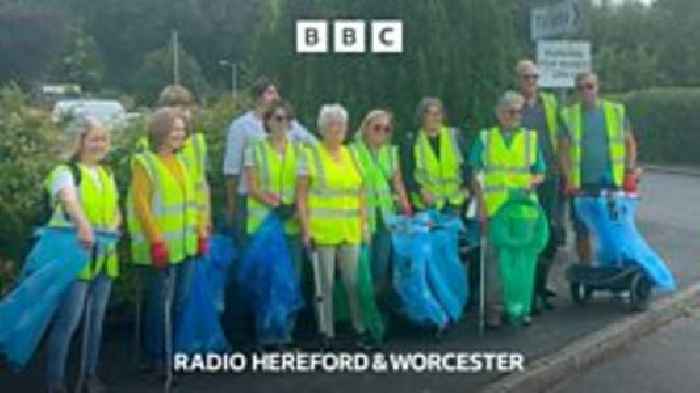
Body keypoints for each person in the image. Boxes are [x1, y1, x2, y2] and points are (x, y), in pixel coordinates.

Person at [127, 108, 208, 380]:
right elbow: (141, 205)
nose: (180, 134)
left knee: (179, 303)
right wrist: (156, 241)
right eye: (175, 129)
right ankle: (157, 356)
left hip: (184, 246)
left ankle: (170, 353)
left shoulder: (183, 162)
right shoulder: (145, 163)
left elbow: (191, 201)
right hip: (161, 247)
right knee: (160, 304)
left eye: (183, 129)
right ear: (161, 132)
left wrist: (200, 232)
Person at [44, 117, 121, 393]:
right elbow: (68, 199)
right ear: (80, 141)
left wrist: (113, 225)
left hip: (103, 256)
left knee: (95, 321)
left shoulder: (107, 174)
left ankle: (89, 375)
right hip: (74, 257)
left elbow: (115, 207)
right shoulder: (65, 172)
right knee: (69, 320)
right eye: (94, 139)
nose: (100, 144)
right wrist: (83, 225)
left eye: (104, 139)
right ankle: (55, 381)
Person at [297, 103, 373, 350]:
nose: (337, 129)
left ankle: (359, 329)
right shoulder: (310, 155)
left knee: (354, 282)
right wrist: (306, 229)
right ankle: (326, 333)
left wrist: (364, 225)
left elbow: (361, 192)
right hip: (322, 230)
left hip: (349, 229)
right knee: (325, 284)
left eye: (341, 124)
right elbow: (301, 195)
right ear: (322, 128)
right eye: (331, 124)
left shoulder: (352, 154)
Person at [469, 91, 546, 328]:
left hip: (523, 210)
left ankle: (520, 307)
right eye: (510, 111)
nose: (515, 116)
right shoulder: (486, 138)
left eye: (518, 111)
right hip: (494, 208)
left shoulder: (531, 139)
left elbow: (541, 172)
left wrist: (532, 182)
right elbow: (475, 174)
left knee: (522, 261)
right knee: (493, 261)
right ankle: (494, 309)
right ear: (498, 113)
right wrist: (481, 206)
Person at [223, 76, 316, 250]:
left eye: (276, 92)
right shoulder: (241, 126)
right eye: (269, 92)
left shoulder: (291, 124)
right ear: (258, 97)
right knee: (251, 250)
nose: (275, 96)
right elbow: (232, 169)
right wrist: (232, 204)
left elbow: (314, 146)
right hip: (249, 197)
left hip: (286, 202)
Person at [243, 100, 305, 348]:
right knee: (266, 280)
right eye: (277, 118)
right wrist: (274, 204)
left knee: (292, 278)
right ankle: (266, 333)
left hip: (290, 223)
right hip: (264, 223)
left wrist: (295, 210)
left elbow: (303, 185)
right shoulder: (254, 148)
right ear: (267, 121)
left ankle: (286, 332)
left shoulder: (300, 150)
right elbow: (252, 186)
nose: (282, 124)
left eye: (287, 119)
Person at [560, 72, 638, 265]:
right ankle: (586, 268)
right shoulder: (568, 115)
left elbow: (630, 143)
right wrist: (568, 178)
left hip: (610, 181)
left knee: (614, 227)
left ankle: (616, 266)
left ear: (597, 87)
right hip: (581, 183)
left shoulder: (615, 111)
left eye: (589, 86)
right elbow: (562, 149)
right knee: (581, 229)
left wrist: (629, 171)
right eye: (580, 87)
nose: (585, 91)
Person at [516, 59, 568, 313]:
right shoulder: (512, 105)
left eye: (535, 77)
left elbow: (561, 137)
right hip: (525, 180)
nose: (532, 82)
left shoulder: (549, 102)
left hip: (549, 176)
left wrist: (564, 171)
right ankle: (526, 292)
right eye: (527, 77)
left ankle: (541, 285)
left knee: (550, 234)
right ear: (518, 80)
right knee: (528, 235)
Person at [349, 110, 412, 295]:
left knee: (381, 263)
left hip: (385, 215)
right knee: (362, 265)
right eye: (377, 127)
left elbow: (397, 181)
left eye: (387, 129)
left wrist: (405, 206)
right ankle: (361, 309)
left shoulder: (391, 152)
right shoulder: (353, 150)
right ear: (366, 128)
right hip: (362, 215)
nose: (382, 133)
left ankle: (376, 306)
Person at [402, 97, 470, 215]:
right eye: (431, 114)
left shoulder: (455, 136)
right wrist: (420, 191)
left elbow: (468, 167)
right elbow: (407, 174)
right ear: (422, 117)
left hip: (455, 203)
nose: (436, 118)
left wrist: (468, 189)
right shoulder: (412, 141)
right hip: (426, 205)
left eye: (438, 113)